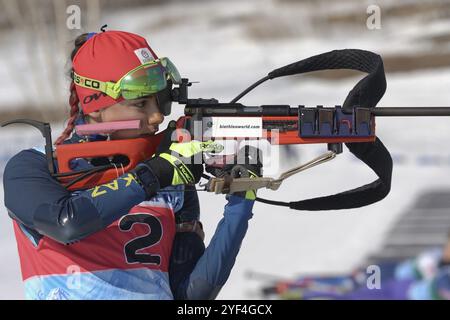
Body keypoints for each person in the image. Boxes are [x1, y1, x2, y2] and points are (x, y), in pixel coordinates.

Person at [2, 30, 262, 300]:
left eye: (160, 101)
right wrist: (154, 175)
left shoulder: (171, 178)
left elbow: (191, 297)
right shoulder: (34, 167)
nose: (157, 116)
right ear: (93, 106)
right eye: (141, 104)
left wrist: (240, 203)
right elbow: (67, 223)